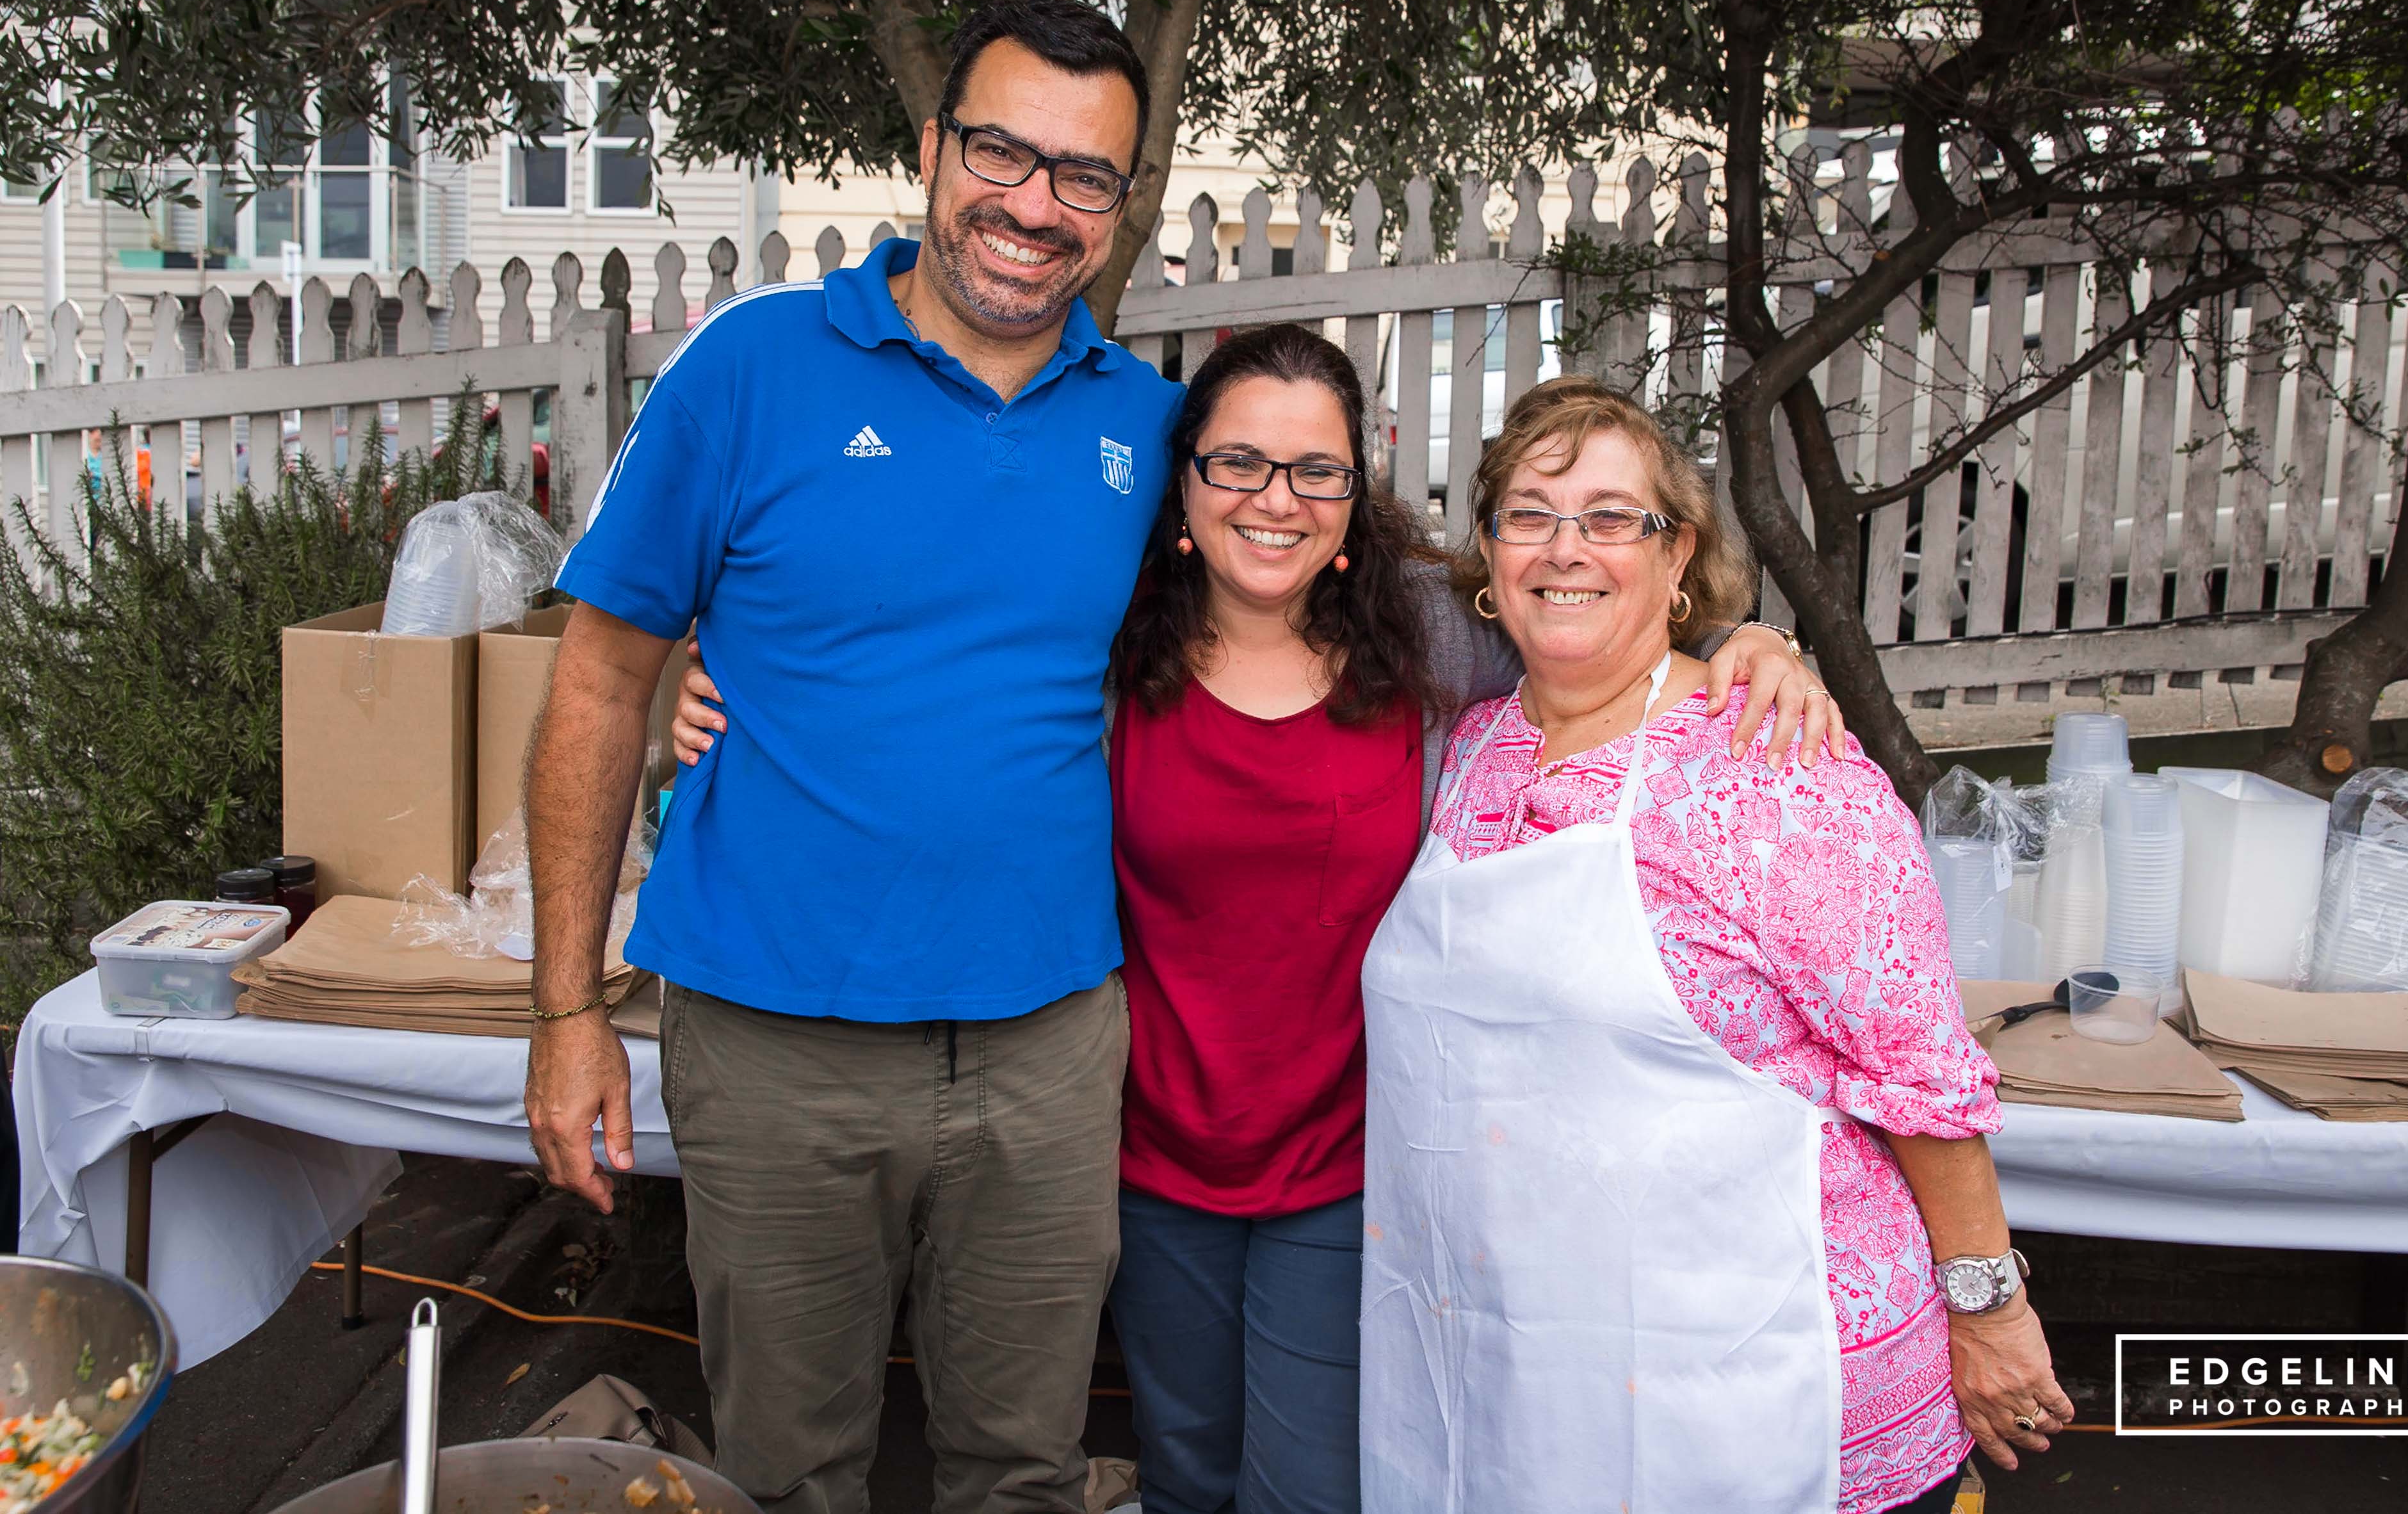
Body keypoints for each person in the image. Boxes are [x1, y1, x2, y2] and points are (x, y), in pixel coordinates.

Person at [673, 327, 1838, 1514]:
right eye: (1239, 463)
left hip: (1346, 1162)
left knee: (1310, 1493)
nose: (1276, 500)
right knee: (1183, 1475)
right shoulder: (1108, 633)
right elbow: (928, 661)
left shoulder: (1431, 633)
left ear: (1355, 491)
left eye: (1315, 471)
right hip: (1148, 1155)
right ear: (1182, 481)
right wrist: (728, 689)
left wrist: (1747, 644)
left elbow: (1596, 623)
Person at [524, 0, 1184, 1514]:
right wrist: (563, 1010)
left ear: (1119, 202)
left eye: (1082, 174)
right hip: (777, 1042)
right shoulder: (749, 369)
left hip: (1046, 1040)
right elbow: (601, 682)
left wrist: (1702, 632)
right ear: (932, 146)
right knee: (786, 1474)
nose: (1034, 205)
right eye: (1000, 152)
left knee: (1019, 1470)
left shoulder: (1149, 429)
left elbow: (1326, 593)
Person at [1362, 378, 2069, 1514]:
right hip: (1534, 1379)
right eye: (1530, 515)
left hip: (1767, 1380)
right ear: (1488, 555)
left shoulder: (1779, 768)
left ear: (1677, 552)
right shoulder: (1476, 748)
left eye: (1610, 518)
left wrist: (1991, 1309)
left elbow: (1920, 1074)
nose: (1564, 549)